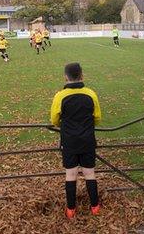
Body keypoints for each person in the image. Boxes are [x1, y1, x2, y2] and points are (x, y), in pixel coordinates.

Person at [50, 63, 101, 219]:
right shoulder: (91, 94)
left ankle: (71, 210)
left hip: (69, 141)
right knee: (89, 173)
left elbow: (54, 120)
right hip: (87, 140)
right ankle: (95, 207)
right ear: (82, 76)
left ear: (66, 77)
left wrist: (66, 126)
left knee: (71, 174)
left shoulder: (60, 96)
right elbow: (97, 118)